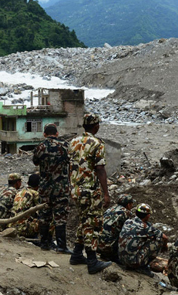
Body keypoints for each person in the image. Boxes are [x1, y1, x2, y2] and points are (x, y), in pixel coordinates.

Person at [68, 113, 112, 274]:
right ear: (96, 126)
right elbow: (100, 168)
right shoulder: (97, 143)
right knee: (93, 223)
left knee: (83, 220)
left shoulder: (72, 142)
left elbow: (71, 167)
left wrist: (71, 186)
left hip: (76, 189)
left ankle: (77, 254)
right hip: (90, 191)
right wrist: (106, 193)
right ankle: (92, 261)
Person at [32, 123, 71, 253]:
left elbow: (36, 162)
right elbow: (69, 162)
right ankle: (61, 246)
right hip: (61, 188)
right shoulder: (65, 146)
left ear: (44, 134)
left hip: (45, 187)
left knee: (44, 216)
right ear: (57, 133)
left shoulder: (40, 147)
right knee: (60, 217)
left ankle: (44, 244)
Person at [117, 203, 168, 277]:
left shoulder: (128, 221)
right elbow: (164, 237)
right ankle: (142, 267)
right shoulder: (145, 227)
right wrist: (165, 246)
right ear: (148, 215)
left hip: (121, 258)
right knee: (158, 241)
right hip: (132, 262)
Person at [98, 194, 134, 262]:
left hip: (97, 245)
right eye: (131, 204)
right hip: (108, 248)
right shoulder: (126, 213)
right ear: (128, 205)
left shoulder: (110, 209)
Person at [9, 173, 41, 238]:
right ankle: (47, 241)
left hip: (11, 226)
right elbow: (42, 212)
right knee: (49, 219)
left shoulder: (20, 192)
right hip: (22, 229)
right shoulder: (35, 194)